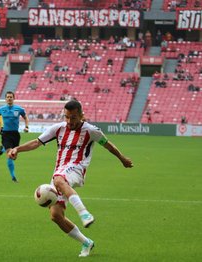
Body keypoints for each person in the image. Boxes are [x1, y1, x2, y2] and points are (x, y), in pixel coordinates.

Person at [8, 100, 133, 257]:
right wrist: (17, 149)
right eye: (66, 117)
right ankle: (86, 242)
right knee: (56, 216)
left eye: (73, 117)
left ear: (81, 115)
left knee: (59, 179)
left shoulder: (91, 131)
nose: (69, 121)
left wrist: (122, 159)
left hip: (76, 169)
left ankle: (84, 212)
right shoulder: (58, 128)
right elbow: (36, 142)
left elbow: (108, 146)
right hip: (59, 171)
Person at [0, 91, 29, 182]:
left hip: (15, 135)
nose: (9, 98)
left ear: (14, 98)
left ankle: (2, 149)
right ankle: (13, 176)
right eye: (8, 97)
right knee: (10, 154)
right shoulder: (2, 109)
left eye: (11, 97)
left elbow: (25, 117)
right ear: (5, 99)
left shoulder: (19, 109)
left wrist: (26, 127)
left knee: (14, 156)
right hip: (6, 134)